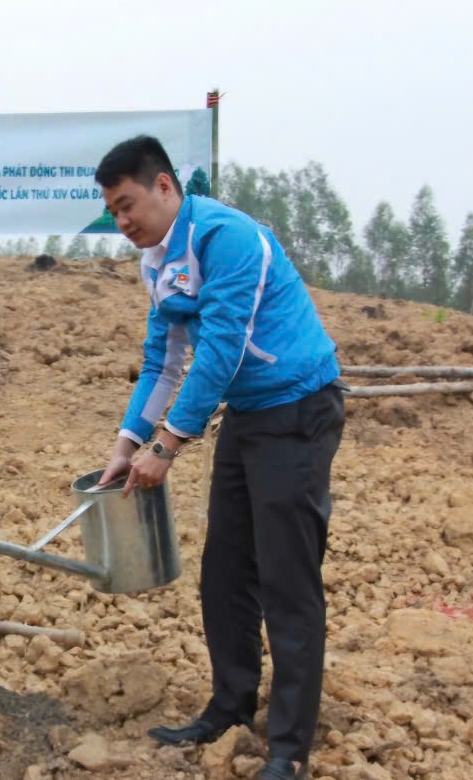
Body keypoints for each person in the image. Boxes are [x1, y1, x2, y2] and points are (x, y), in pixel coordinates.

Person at [92, 136, 345, 780]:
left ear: (166, 187)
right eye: (113, 211)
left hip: (298, 408)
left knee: (288, 579)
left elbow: (223, 349)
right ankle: (231, 706)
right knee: (227, 571)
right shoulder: (156, 259)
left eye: (129, 205)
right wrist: (126, 444)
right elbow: (164, 358)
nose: (123, 222)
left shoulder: (228, 239)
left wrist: (167, 445)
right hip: (247, 415)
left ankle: (288, 749)